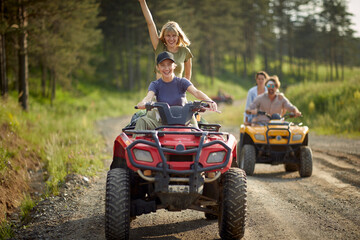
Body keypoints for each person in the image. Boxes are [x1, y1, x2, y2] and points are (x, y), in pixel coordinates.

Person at [135, 51, 217, 131]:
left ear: (174, 66)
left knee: (197, 134)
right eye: (162, 65)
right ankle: (139, 144)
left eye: (169, 65)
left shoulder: (182, 82)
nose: (166, 68)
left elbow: (196, 92)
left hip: (185, 122)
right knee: (141, 121)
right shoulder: (155, 84)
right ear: (157, 67)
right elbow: (148, 97)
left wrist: (209, 100)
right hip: (163, 124)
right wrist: (143, 103)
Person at [138, 0, 193, 80]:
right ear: (164, 37)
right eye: (168, 35)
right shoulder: (159, 47)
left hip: (177, 91)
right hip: (161, 91)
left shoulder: (185, 51)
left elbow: (187, 75)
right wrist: (142, 2)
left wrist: (183, 90)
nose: (171, 39)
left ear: (178, 36)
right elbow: (150, 23)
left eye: (174, 36)